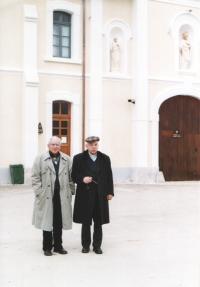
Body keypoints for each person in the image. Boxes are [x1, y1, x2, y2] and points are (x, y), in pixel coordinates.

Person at [31, 136, 74, 256]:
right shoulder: (40, 158)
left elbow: (71, 177)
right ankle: (47, 247)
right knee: (47, 221)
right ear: (48, 145)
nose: (55, 147)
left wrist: (70, 191)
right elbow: (35, 177)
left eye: (57, 145)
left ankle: (58, 246)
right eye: (53, 144)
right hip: (46, 196)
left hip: (62, 196)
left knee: (58, 221)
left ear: (60, 146)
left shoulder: (67, 159)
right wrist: (39, 192)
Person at [72, 136, 114, 254]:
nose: (93, 147)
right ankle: (85, 245)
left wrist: (110, 192)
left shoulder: (105, 158)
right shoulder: (79, 158)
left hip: (100, 195)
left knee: (98, 221)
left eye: (95, 144)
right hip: (85, 194)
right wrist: (82, 179)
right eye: (91, 145)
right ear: (86, 146)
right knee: (86, 221)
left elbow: (109, 177)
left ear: (98, 145)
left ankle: (97, 245)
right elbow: (74, 175)